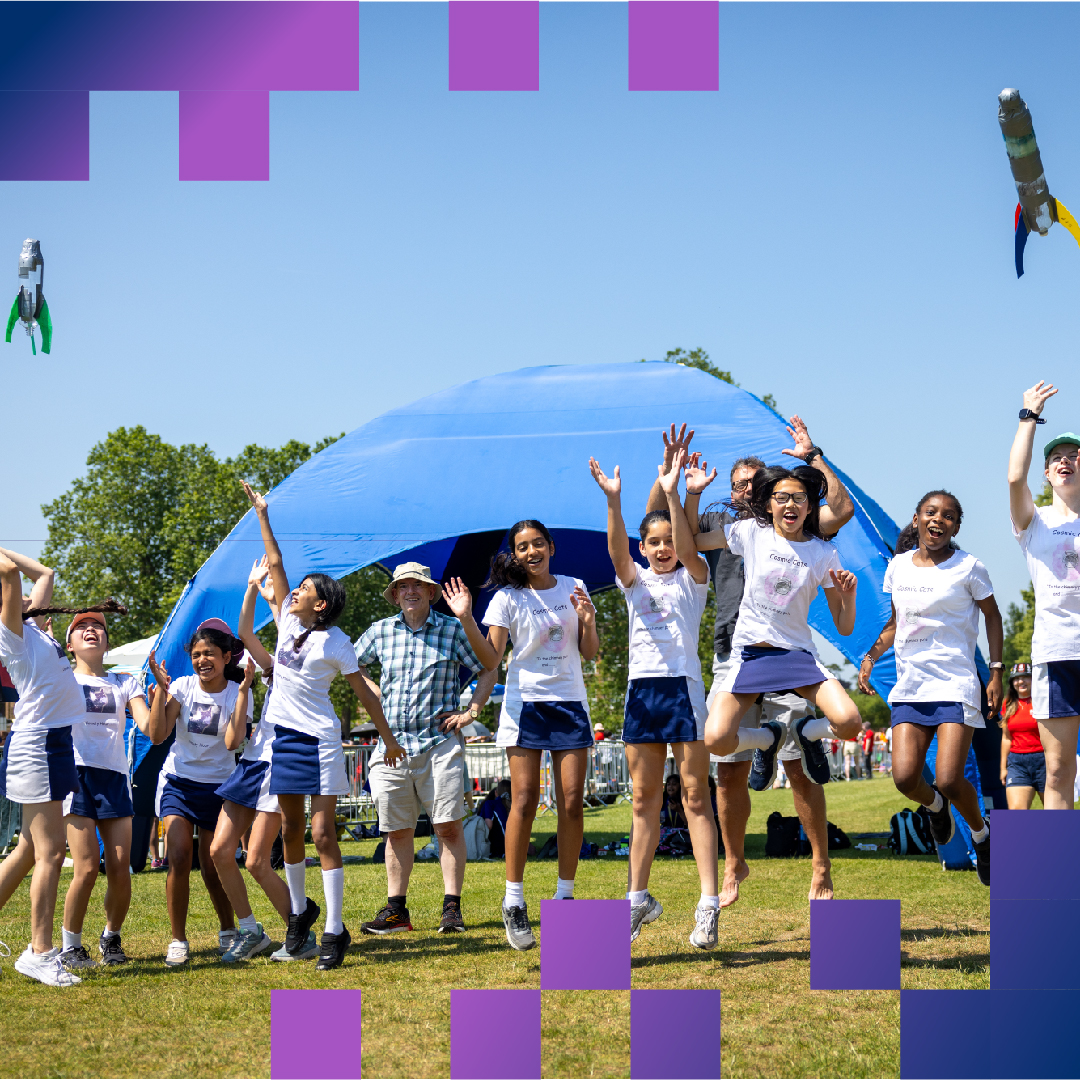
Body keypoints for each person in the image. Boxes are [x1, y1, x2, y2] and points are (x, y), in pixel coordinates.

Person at [686, 417, 858, 905]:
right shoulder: (737, 530)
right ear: (760, 499)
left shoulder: (814, 539)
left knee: (824, 744)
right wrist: (685, 489)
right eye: (738, 485)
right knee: (722, 756)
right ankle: (735, 857)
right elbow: (682, 542)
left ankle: (820, 861)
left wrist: (812, 455)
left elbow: (839, 506)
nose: (743, 491)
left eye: (794, 496)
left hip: (796, 656)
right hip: (739, 653)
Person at [243, 482, 405, 970]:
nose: (294, 591)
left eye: (305, 591)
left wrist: (390, 739)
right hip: (284, 741)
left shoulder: (337, 643)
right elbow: (275, 565)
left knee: (322, 834)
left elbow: (363, 695)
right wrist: (263, 516)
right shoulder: (289, 625)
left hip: (320, 743)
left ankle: (334, 931)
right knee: (290, 831)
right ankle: (298, 916)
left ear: (321, 605)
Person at [590, 449, 720, 948]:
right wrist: (614, 501)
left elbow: (689, 549)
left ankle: (707, 905)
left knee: (694, 797)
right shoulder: (634, 580)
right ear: (643, 547)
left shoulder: (694, 577)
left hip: (684, 693)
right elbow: (615, 554)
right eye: (654, 542)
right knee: (642, 801)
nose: (663, 548)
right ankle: (636, 900)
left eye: (669, 541)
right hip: (641, 696)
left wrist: (678, 492)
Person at [858, 490, 1000, 886]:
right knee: (905, 778)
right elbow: (894, 624)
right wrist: (870, 657)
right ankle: (935, 807)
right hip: (912, 686)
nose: (939, 520)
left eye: (949, 516)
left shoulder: (969, 567)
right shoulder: (898, 567)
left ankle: (981, 833)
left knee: (952, 778)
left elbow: (993, 616)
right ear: (917, 518)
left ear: (956, 526)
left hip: (955, 684)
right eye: (931, 512)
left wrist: (997, 671)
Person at [353, 566, 497, 936]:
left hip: (439, 744)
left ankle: (452, 909)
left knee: (448, 827)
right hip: (393, 746)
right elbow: (350, 666)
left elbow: (489, 665)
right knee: (397, 831)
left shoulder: (452, 629)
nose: (410, 590)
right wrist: (373, 695)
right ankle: (397, 912)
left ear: (431, 593)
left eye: (418, 584)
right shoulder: (380, 631)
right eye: (403, 586)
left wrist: (472, 712)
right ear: (395, 594)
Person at [479, 519, 598, 951]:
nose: (531, 552)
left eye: (537, 544)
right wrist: (464, 619)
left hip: (569, 702)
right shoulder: (506, 598)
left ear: (551, 546)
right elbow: (491, 658)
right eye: (522, 547)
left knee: (570, 800)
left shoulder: (574, 585)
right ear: (514, 554)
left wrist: (586, 618)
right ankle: (514, 900)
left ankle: (565, 895)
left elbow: (589, 652)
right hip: (523, 704)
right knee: (524, 800)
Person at [0, 548, 104, 986]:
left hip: (53, 742)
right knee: (50, 853)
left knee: (27, 849)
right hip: (38, 743)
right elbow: (10, 574)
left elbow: (45, 572)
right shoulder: (12, 634)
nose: (30, 599)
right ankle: (40, 952)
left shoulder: (34, 629)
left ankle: (39, 950)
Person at [209, 559, 305, 962]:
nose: (290, 603)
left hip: (279, 764)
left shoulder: (313, 659)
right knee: (218, 851)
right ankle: (252, 931)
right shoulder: (275, 664)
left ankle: (301, 936)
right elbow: (246, 632)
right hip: (252, 761)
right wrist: (252, 587)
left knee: (257, 861)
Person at [147, 621, 256, 965]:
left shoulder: (240, 691)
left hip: (219, 787)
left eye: (209, 653)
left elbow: (231, 743)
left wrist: (242, 693)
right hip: (178, 782)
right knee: (178, 855)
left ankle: (228, 930)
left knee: (212, 864)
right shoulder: (180, 687)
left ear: (226, 657)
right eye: (196, 654)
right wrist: (161, 693)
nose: (202, 660)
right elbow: (157, 734)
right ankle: (178, 940)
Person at [59, 610, 152, 970]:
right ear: (70, 645)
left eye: (98, 626)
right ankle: (71, 946)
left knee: (119, 867)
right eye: (81, 627)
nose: (91, 630)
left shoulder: (125, 681)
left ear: (107, 642)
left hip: (114, 778)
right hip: (75, 775)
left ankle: (111, 937)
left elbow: (147, 726)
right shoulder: (62, 677)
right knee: (84, 868)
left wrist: (158, 697)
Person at [1008, 381, 1080, 809]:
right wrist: (1028, 418)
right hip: (1058, 653)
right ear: (1048, 475)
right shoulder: (1034, 521)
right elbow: (1015, 476)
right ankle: (1051, 878)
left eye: (1074, 455)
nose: (1065, 461)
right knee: (1058, 771)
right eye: (1057, 459)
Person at [999, 663, 1045, 809]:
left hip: (1045, 761)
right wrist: (1003, 768)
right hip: (1017, 764)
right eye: (1017, 678)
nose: (1021, 681)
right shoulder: (1008, 704)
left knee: (1055, 812)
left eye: (1026, 677)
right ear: (1012, 683)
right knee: (1016, 813)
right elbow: (1006, 739)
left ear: (1034, 680)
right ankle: (1021, 833)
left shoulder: (1044, 702)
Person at [477, 780, 511, 859]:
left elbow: (488, 826)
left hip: (498, 848)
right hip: (514, 847)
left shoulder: (490, 804)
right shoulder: (514, 806)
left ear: (496, 792)